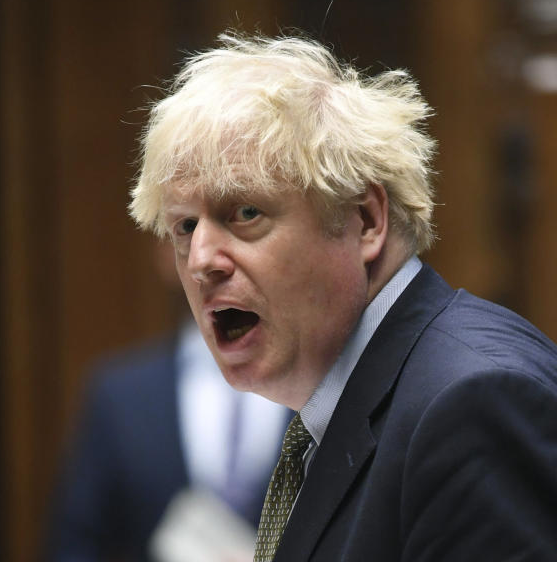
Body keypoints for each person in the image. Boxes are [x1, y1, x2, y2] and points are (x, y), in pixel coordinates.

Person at [128, 32, 557, 561]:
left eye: (244, 214)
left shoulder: (471, 402)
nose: (200, 261)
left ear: (365, 221)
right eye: (185, 226)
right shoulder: (346, 407)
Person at [46, 241, 291, 562]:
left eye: (245, 220)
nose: (216, 253)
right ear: (165, 251)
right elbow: (74, 546)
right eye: (188, 227)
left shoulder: (323, 383)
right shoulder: (119, 397)